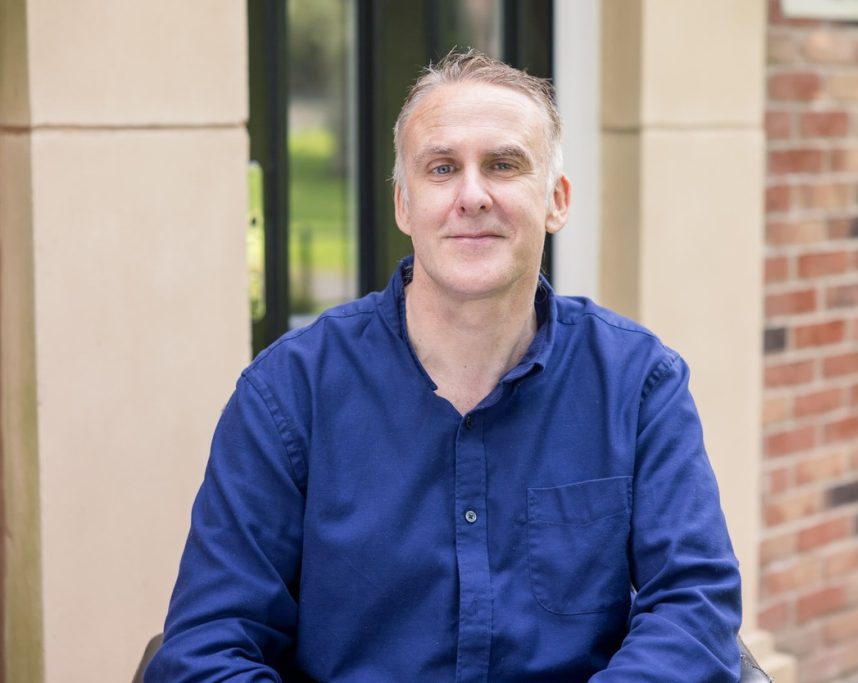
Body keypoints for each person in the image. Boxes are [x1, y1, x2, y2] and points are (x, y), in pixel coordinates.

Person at [147, 49, 742, 682]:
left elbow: (693, 609)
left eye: (504, 165)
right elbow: (209, 645)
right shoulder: (288, 395)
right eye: (442, 168)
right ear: (404, 205)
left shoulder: (638, 384)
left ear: (556, 201)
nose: (473, 196)